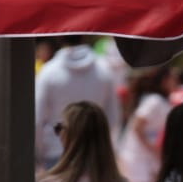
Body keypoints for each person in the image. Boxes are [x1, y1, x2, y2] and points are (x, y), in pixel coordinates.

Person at [34, 37, 121, 171]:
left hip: (56, 151)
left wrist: (39, 153)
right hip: (94, 152)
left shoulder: (48, 72)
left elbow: (37, 119)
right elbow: (113, 118)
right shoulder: (104, 71)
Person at [118, 67, 174, 182]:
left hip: (145, 156)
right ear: (164, 81)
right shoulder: (154, 101)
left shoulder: (157, 100)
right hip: (138, 156)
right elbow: (138, 125)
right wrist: (153, 148)